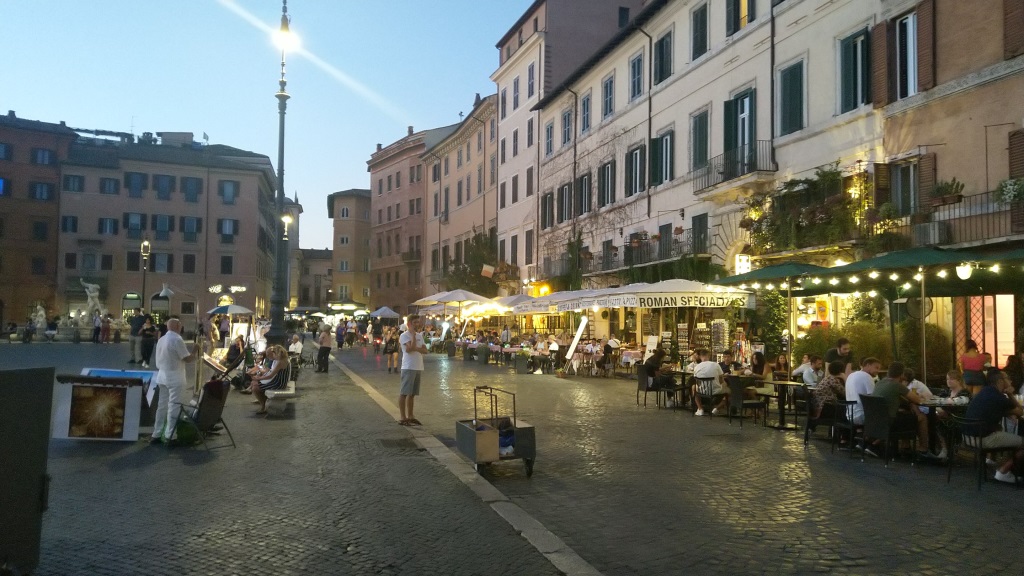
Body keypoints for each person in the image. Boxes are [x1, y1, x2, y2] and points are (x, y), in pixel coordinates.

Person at [964, 369, 1024, 483]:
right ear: (1000, 381)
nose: (1010, 381)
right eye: (1007, 378)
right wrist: (1010, 393)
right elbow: (1020, 412)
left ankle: (1009, 467)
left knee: (1003, 431)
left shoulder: (984, 392)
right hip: (982, 438)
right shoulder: (999, 397)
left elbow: (1001, 411)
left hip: (968, 437)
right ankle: (1003, 471)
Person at [150, 318, 200, 444]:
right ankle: (170, 435)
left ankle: (156, 434)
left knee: (161, 406)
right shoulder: (177, 339)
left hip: (162, 375)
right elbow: (187, 359)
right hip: (174, 376)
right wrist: (195, 350)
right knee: (174, 405)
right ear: (178, 326)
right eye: (180, 325)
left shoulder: (161, 339)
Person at [871, 362, 929, 458]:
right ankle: (923, 449)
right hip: (891, 423)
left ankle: (905, 446)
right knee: (922, 417)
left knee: (906, 415)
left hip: (876, 421)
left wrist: (909, 403)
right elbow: (918, 400)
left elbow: (900, 399)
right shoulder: (897, 385)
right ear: (902, 374)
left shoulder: (880, 383)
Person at [398, 314, 428, 426]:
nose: (417, 324)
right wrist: (414, 338)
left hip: (418, 366)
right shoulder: (404, 336)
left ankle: (410, 416)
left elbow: (425, 351)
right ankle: (402, 417)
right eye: (415, 322)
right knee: (404, 392)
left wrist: (416, 346)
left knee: (412, 394)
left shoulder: (420, 335)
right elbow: (409, 350)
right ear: (409, 324)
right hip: (408, 367)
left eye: (418, 322)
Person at [251, 345, 290, 415]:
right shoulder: (284, 359)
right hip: (279, 382)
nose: (273, 356)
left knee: (255, 387)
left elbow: (270, 375)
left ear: (276, 353)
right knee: (255, 384)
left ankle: (263, 406)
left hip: (278, 384)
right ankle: (264, 403)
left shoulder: (280, 362)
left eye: (273, 354)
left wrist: (259, 378)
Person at [845, 357, 882, 427]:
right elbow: (873, 399)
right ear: (868, 365)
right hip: (862, 416)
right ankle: (876, 437)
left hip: (850, 415)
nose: (878, 371)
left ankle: (863, 435)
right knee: (888, 417)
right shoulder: (867, 377)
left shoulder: (851, 375)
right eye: (876, 368)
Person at [691, 349, 727, 416]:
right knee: (730, 392)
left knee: (694, 387)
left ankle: (700, 408)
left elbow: (697, 382)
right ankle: (716, 409)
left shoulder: (697, 367)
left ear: (700, 356)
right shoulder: (716, 365)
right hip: (715, 390)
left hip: (702, 391)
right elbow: (721, 380)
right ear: (709, 356)